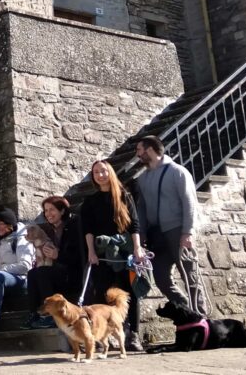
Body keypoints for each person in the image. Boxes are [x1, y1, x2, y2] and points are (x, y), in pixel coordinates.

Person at [135, 135, 208, 313]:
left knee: (190, 275)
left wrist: (188, 232)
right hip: (156, 235)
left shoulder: (178, 172)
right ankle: (187, 311)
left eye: (139, 150)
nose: (137, 155)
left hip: (177, 231)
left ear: (150, 149)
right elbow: (141, 208)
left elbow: (189, 202)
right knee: (160, 278)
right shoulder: (142, 179)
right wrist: (142, 232)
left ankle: (201, 318)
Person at [81, 160, 145, 351]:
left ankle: (133, 335)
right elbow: (88, 230)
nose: (100, 175)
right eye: (96, 172)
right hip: (102, 253)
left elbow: (134, 224)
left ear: (110, 173)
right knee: (101, 293)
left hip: (125, 252)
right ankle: (102, 337)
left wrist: (137, 248)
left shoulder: (124, 196)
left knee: (129, 293)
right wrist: (91, 252)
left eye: (103, 171)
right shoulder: (90, 202)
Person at [24, 196, 84, 329]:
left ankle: (51, 316)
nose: (48, 214)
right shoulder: (49, 230)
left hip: (72, 274)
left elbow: (78, 254)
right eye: (46, 210)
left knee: (42, 272)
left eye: (52, 210)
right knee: (32, 273)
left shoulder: (74, 225)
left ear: (62, 211)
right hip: (58, 271)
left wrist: (58, 255)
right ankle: (34, 313)